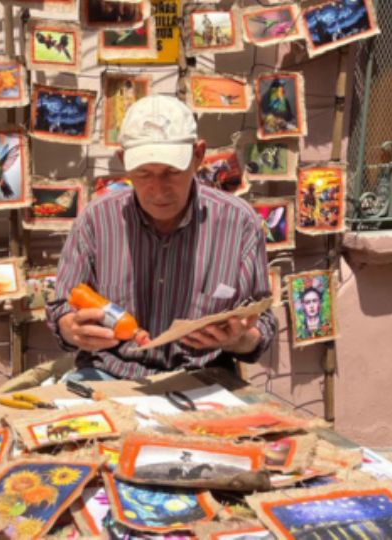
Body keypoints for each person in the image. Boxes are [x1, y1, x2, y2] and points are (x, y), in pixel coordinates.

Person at [47, 95, 276, 381]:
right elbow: (62, 309)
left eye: (171, 172)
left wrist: (237, 339)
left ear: (198, 156)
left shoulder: (239, 222)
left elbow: (262, 322)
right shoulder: (96, 220)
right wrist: (73, 329)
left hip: (202, 377)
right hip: (109, 372)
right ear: (123, 161)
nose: (158, 190)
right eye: (143, 174)